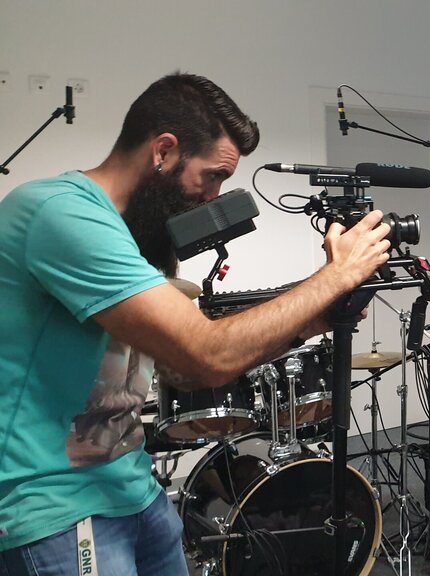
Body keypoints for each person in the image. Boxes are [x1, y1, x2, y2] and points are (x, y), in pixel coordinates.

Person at [0, 72, 392, 575]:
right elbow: (209, 354)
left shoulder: (135, 236)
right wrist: (336, 275)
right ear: (163, 151)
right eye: (212, 176)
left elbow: (182, 372)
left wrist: (313, 320)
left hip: (132, 487)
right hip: (54, 505)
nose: (214, 196)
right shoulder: (60, 214)